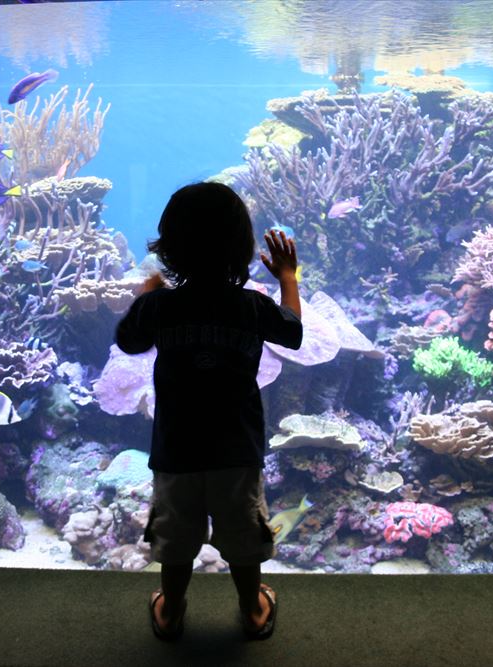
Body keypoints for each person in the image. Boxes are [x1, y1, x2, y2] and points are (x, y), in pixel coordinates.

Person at [115, 182, 303, 641]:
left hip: (177, 452)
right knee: (242, 538)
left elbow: (128, 341)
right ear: (241, 249)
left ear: (168, 248)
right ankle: (253, 609)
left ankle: (171, 609)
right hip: (237, 450)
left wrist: (145, 295)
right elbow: (293, 333)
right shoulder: (251, 305)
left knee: (176, 539)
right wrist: (288, 278)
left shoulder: (160, 306)